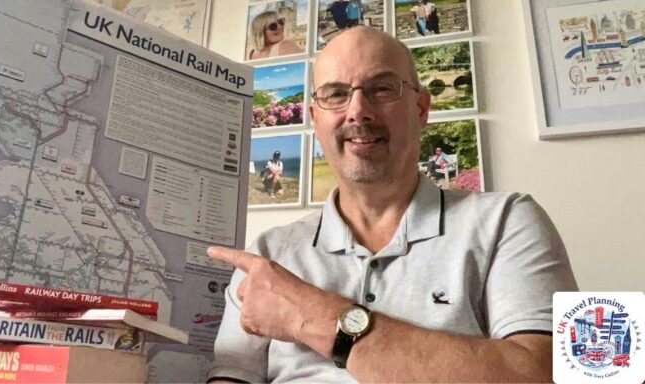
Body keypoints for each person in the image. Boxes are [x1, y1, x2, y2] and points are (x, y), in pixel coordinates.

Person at [207, 27, 577, 382]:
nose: (358, 111)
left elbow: (550, 375)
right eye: (335, 94)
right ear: (315, 118)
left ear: (420, 109)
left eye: (381, 89)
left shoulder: (510, 221)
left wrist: (314, 315)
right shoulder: (267, 254)